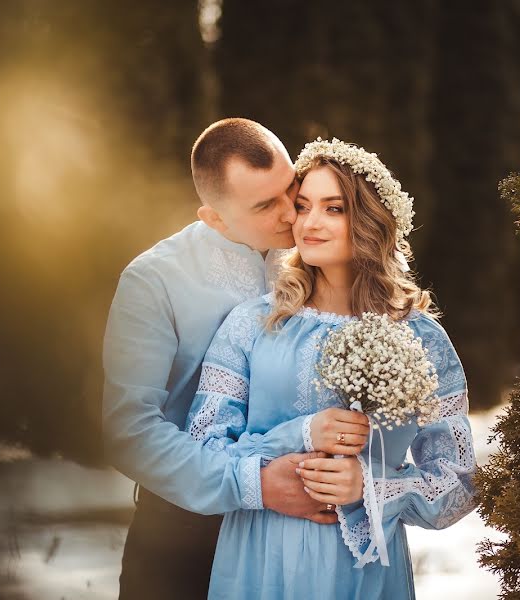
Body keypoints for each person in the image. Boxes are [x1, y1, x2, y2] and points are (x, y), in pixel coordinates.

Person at [186, 138, 479, 599]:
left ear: (368, 220)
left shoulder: (419, 338)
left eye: (334, 208)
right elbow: (200, 453)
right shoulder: (252, 324)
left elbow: (457, 485)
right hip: (260, 561)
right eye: (302, 207)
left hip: (361, 572)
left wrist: (372, 485)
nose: (310, 223)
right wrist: (300, 435)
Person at [102, 120, 368, 599]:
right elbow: (129, 431)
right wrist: (258, 484)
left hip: (304, 536)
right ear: (215, 219)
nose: (294, 215)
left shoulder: (320, 258)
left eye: (291, 189)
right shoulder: (153, 281)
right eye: (267, 205)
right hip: (184, 533)